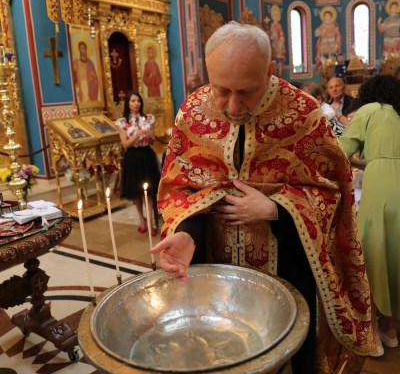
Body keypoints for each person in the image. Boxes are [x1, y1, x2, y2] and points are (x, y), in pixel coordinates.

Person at [150, 22, 377, 373]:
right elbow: (179, 185)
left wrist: (277, 210)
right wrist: (187, 232)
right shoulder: (192, 112)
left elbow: (334, 191)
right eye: (221, 90)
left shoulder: (302, 114)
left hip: (288, 265)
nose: (233, 105)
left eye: (246, 91)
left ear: (270, 71)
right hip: (216, 266)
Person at [339, 75, 400, 355]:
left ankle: (375, 331)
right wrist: (369, 162)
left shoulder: (370, 110)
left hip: (379, 188)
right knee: (396, 252)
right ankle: (391, 326)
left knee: (374, 252)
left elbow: (342, 149)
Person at [115, 90, 160, 235]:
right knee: (136, 192)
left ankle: (151, 222)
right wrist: (136, 135)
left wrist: (150, 136)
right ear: (128, 103)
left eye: (138, 101)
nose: (136, 103)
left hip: (147, 155)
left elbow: (152, 141)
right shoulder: (122, 122)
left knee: (150, 191)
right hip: (132, 157)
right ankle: (142, 219)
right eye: (133, 101)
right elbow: (125, 144)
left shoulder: (148, 118)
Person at [315, 6, 342, 72]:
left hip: (333, 45)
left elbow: (338, 35)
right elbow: (317, 33)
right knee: (324, 63)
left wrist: (337, 44)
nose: (327, 17)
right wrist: (321, 32)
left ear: (331, 17)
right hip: (323, 46)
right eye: (326, 16)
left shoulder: (334, 25)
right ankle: (325, 73)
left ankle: (333, 73)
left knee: (333, 63)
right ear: (324, 17)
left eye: (328, 16)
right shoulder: (322, 26)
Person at [264, 4, 286, 77]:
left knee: (279, 60)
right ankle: (275, 73)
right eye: (274, 14)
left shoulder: (279, 25)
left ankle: (279, 74)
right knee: (274, 60)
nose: (275, 15)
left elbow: (281, 35)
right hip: (273, 45)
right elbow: (270, 34)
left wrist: (280, 41)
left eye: (277, 14)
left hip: (278, 46)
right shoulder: (272, 25)